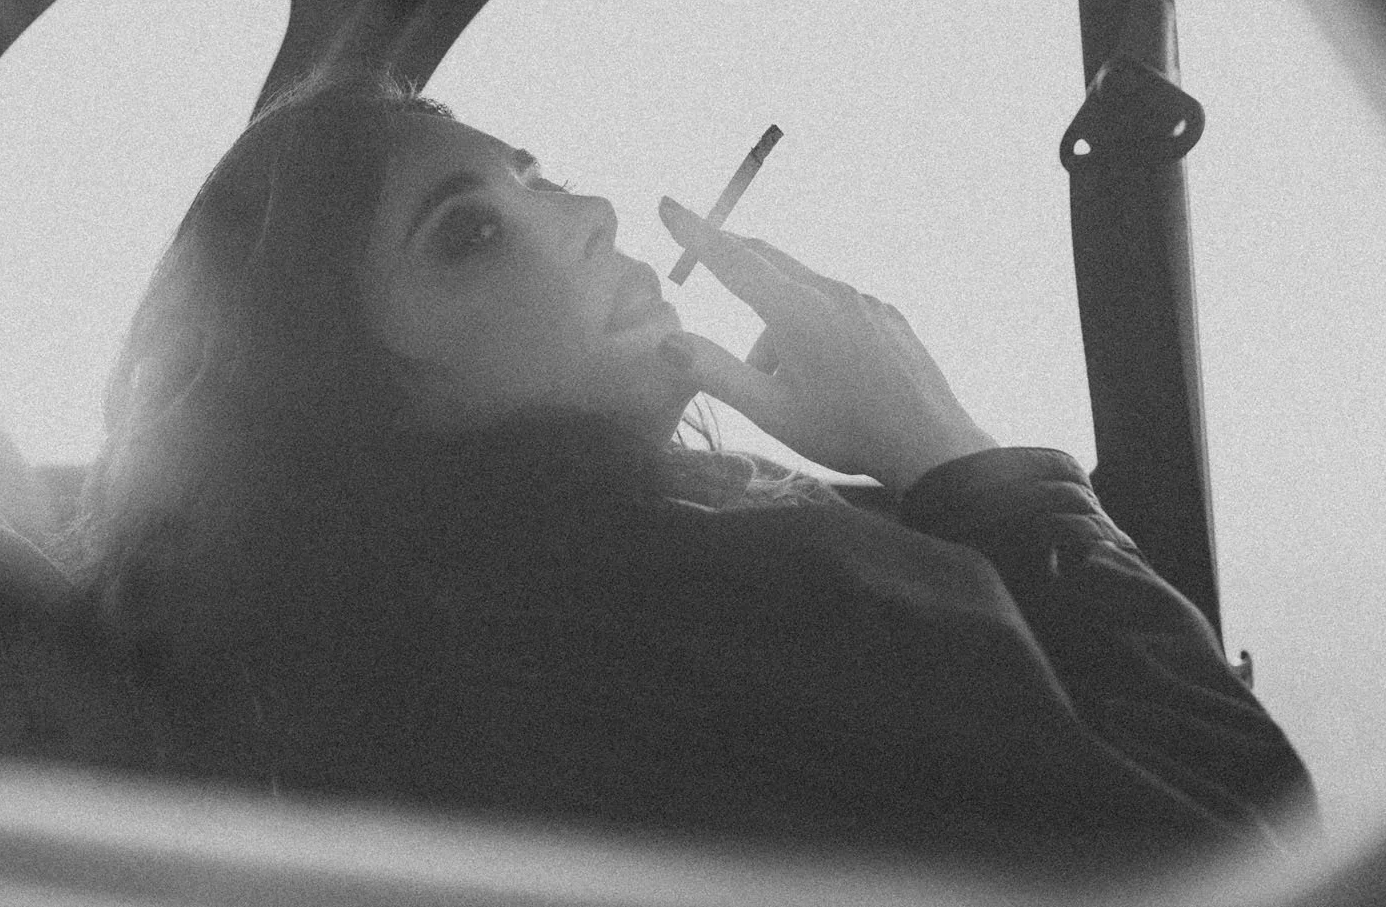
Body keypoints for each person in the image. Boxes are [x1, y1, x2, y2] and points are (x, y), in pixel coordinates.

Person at [73, 71, 1315, 878]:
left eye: (538, 172)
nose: (596, 213)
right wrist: (957, 456)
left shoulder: (401, 705)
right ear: (345, 413)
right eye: (472, 230)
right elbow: (1254, 847)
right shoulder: (694, 617)